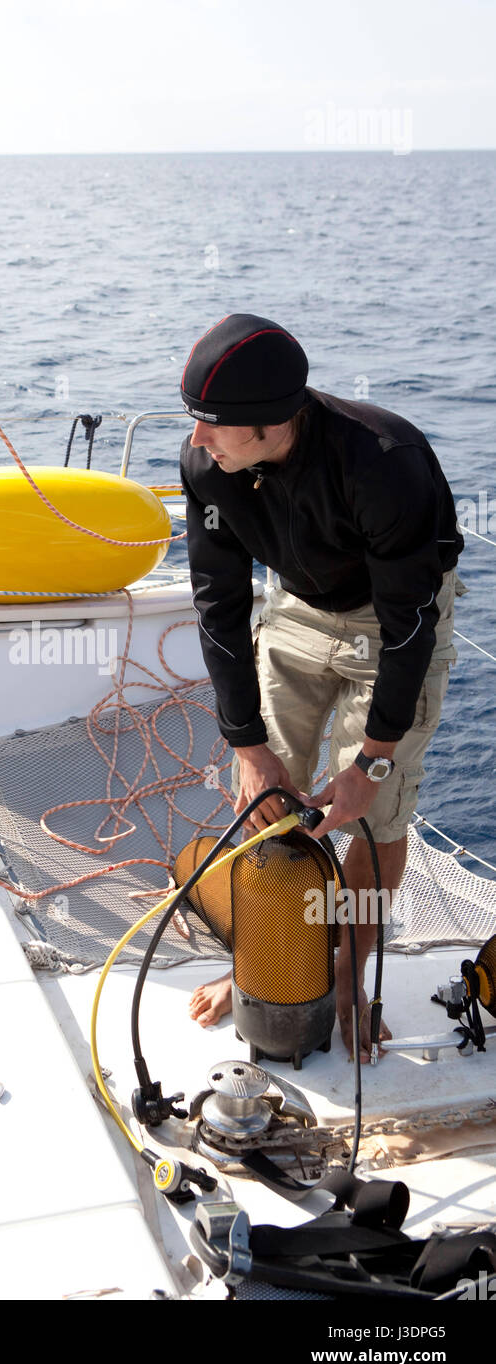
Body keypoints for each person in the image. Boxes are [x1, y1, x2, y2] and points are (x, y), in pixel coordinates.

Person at [178, 313, 464, 1056]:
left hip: (392, 616)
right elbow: (220, 603)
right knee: (265, 795)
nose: (198, 440)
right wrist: (247, 747)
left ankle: (347, 968)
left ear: (273, 424)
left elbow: (407, 629)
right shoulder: (210, 465)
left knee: (374, 815)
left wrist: (372, 762)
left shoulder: (383, 462)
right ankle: (260, 958)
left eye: (214, 425)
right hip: (301, 606)